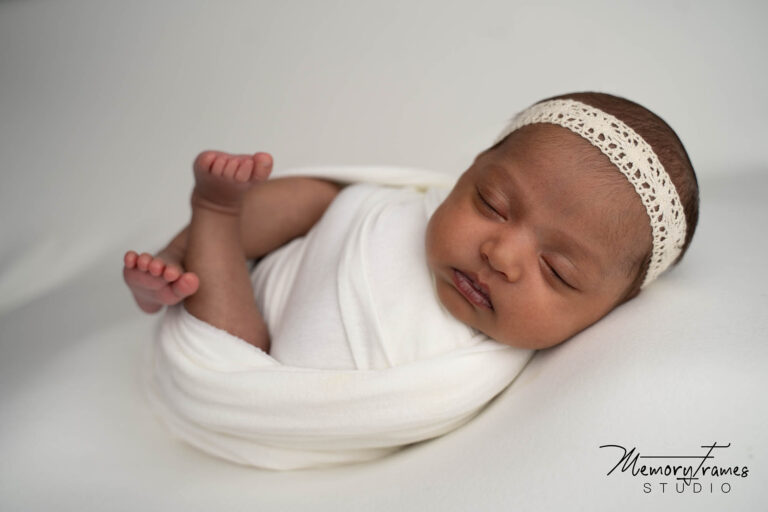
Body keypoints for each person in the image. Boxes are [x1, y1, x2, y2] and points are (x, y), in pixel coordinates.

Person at [124, 91, 699, 355]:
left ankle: (203, 250)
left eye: (558, 271)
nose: (500, 254)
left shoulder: (478, 366)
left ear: (608, 311)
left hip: (258, 357)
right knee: (326, 197)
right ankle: (204, 230)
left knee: (237, 350)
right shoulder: (403, 209)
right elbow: (330, 201)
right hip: (279, 263)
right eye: (493, 204)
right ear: (470, 169)